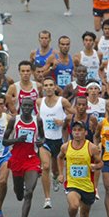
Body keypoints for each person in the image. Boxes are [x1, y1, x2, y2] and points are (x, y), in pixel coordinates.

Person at [3, 98, 45, 217]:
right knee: (19, 194)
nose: (26, 108)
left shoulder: (37, 121)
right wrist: (17, 140)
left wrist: (41, 142)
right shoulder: (14, 121)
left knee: (29, 192)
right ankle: (19, 191)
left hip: (31, 159)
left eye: (29, 106)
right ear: (21, 106)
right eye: (24, 105)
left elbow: (43, 138)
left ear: (33, 107)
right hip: (16, 160)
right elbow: (4, 141)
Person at [57, 121, 103, 217]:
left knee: (84, 215)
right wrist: (61, 174)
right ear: (72, 132)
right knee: (73, 205)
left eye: (80, 130)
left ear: (85, 132)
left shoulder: (91, 147)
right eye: (75, 130)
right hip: (72, 183)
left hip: (87, 186)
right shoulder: (66, 147)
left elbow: (100, 163)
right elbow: (60, 158)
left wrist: (95, 166)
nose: (77, 133)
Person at [37, 77, 75, 208]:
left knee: (56, 169)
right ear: (43, 88)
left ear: (55, 87)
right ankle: (47, 199)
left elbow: (75, 115)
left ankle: (56, 177)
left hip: (59, 141)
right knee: (45, 167)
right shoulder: (39, 102)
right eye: (45, 85)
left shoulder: (62, 101)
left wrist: (63, 121)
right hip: (45, 140)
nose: (48, 87)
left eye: (50, 85)